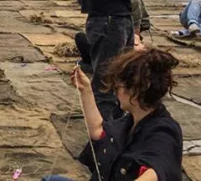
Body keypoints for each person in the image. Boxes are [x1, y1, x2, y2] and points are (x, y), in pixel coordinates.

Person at [57, 49, 183, 181]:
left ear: (137, 89)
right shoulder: (131, 120)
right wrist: (86, 91)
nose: (115, 91)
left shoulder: (164, 132)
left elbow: (157, 170)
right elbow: (99, 132)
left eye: (118, 86)